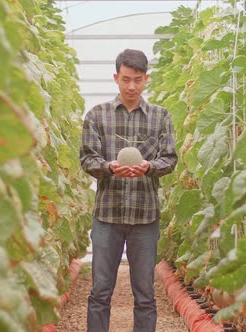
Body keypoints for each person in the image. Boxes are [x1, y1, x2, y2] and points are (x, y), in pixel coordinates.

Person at [79, 49, 178, 332]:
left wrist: (150, 166)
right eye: (125, 79)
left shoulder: (160, 117)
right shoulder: (97, 115)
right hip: (107, 216)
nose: (131, 86)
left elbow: (170, 158)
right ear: (116, 78)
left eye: (137, 79)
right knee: (99, 292)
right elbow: (87, 158)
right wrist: (109, 167)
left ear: (146, 79)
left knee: (145, 294)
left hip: (145, 216)